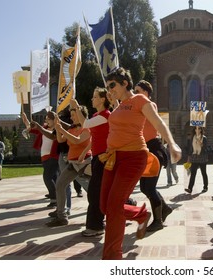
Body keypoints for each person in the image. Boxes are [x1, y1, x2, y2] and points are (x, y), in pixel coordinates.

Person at [100, 67, 181, 260]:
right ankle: (140, 214)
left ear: (125, 83)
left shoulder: (139, 100)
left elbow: (159, 123)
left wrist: (172, 143)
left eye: (113, 85)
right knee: (104, 206)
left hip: (134, 157)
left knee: (114, 206)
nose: (110, 90)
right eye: (108, 86)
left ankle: (112, 258)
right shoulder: (118, 106)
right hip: (113, 158)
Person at [70, 87, 111, 237]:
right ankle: (127, 207)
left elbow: (85, 124)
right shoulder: (96, 115)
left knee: (95, 193)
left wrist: (75, 106)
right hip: (97, 158)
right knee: (99, 192)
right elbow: (93, 138)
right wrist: (83, 153)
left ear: (102, 99)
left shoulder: (106, 115)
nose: (92, 99)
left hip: (103, 158)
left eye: (95, 97)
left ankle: (96, 227)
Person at [135, 80, 173, 232]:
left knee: (149, 187)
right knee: (145, 187)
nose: (135, 93)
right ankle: (165, 208)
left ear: (146, 92)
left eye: (138, 91)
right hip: (145, 151)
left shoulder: (150, 105)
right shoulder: (137, 108)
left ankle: (158, 220)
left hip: (155, 149)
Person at [46, 105, 92, 227]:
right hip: (72, 164)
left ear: (80, 114)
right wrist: (57, 128)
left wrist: (62, 130)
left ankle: (100, 213)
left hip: (84, 164)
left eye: (73, 115)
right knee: (60, 184)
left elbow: (77, 140)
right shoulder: (72, 128)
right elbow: (61, 141)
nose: (71, 118)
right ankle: (61, 217)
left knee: (93, 190)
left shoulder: (87, 128)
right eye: (71, 115)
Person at [21, 111, 59, 207]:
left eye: (48, 119)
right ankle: (57, 198)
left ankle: (55, 198)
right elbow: (31, 129)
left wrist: (40, 128)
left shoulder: (58, 129)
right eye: (46, 119)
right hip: (44, 157)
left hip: (53, 157)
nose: (46, 121)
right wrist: (26, 120)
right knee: (53, 178)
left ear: (54, 120)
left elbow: (52, 136)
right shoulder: (44, 128)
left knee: (47, 177)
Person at [184, 126, 209, 194]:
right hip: (194, 157)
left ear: (201, 130)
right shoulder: (192, 138)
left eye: (199, 128)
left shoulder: (204, 138)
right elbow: (190, 148)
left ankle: (205, 187)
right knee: (193, 173)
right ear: (194, 130)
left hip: (202, 157)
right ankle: (190, 188)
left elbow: (206, 148)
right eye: (196, 128)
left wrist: (201, 143)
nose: (197, 130)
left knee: (203, 173)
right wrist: (189, 158)